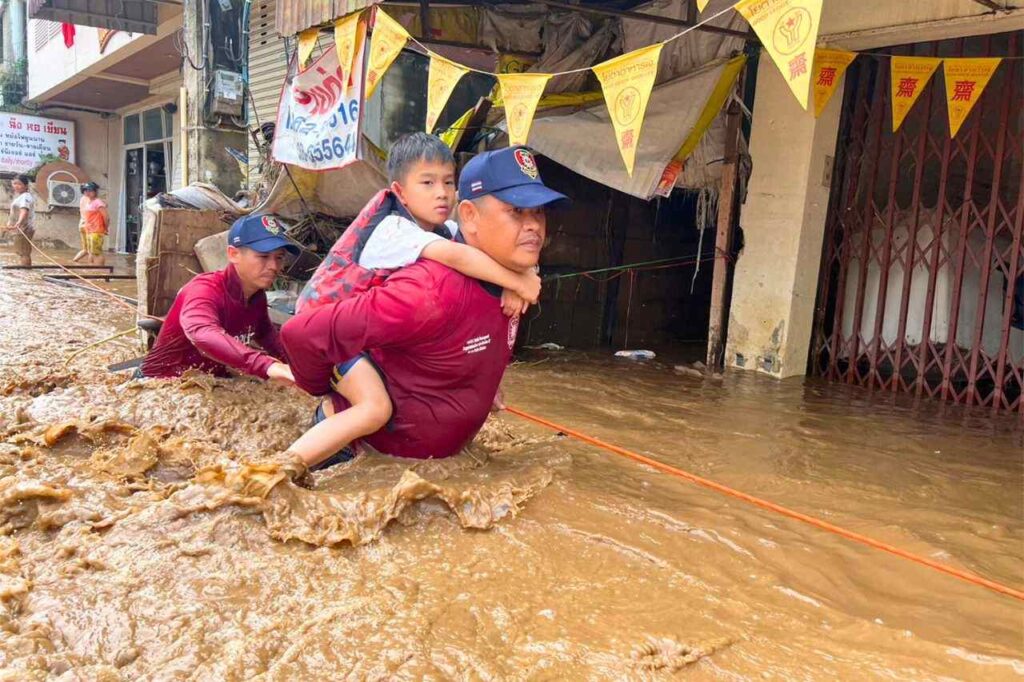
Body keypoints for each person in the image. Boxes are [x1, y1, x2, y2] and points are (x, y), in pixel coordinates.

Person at [280, 146, 568, 474]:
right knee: (371, 409)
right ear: (470, 216)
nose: (534, 226)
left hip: (433, 470)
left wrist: (482, 384)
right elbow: (299, 333)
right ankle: (275, 469)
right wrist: (317, 385)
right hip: (355, 459)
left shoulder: (515, 279)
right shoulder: (427, 288)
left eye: (539, 212)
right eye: (517, 211)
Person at [139, 213, 298, 383]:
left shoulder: (257, 297)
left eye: (279, 257)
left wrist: (300, 367)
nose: (274, 266)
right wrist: (267, 365)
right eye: (263, 256)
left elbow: (268, 336)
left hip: (213, 383)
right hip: (162, 385)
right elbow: (202, 333)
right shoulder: (204, 290)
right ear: (233, 254)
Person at [73, 182, 108, 265]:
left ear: (95, 191)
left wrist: (105, 228)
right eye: (85, 191)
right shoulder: (89, 202)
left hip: (96, 230)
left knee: (96, 253)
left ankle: (100, 272)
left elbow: (106, 217)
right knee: (91, 251)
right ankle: (92, 269)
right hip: (89, 230)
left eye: (90, 190)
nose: (87, 192)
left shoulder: (97, 202)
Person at [4, 175, 35, 267]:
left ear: (26, 186)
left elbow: (24, 211)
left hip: (24, 227)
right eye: (14, 183)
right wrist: (10, 224)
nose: (16, 186)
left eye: (19, 184)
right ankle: (25, 269)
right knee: (22, 251)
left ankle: (26, 272)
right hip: (21, 227)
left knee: (24, 252)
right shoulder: (21, 197)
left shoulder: (25, 197)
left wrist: (19, 223)